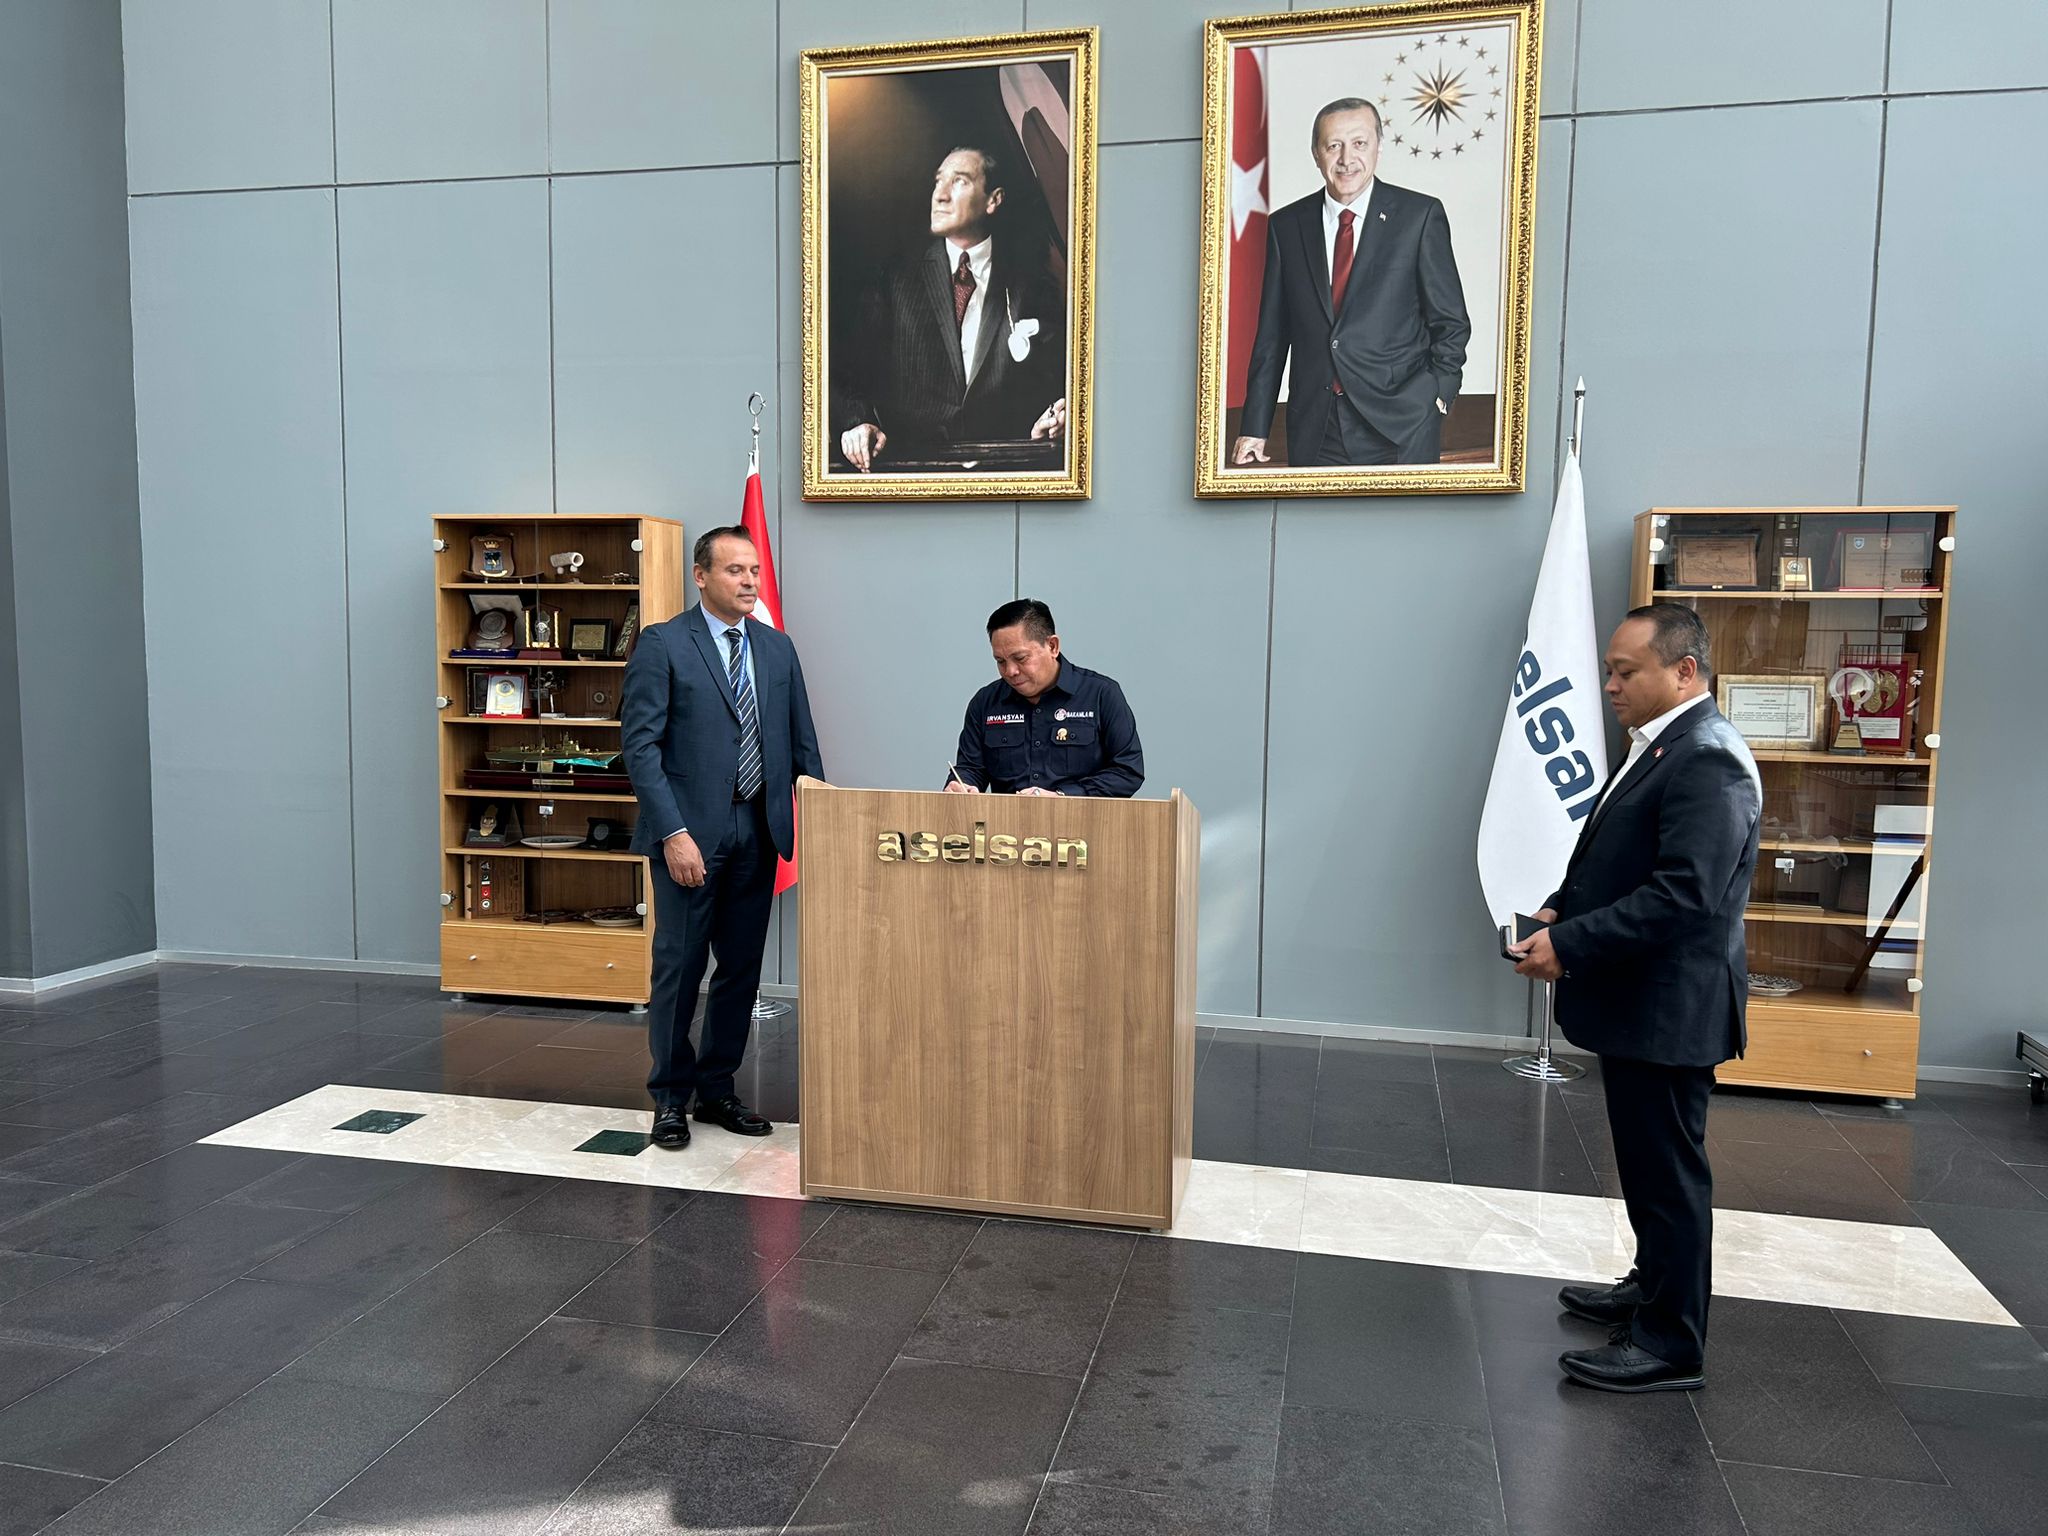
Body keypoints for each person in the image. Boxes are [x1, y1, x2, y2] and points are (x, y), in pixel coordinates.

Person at [1510, 604, 1762, 1393]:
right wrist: (1560, 909)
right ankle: (1651, 1285)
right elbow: (1616, 857)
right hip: (1644, 1004)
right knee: (1648, 1170)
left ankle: (1670, 1342)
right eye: (1609, 671)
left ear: (1684, 671)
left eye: (1626, 672)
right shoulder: (1664, 745)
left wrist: (1572, 944)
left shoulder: (1709, 759)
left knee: (1668, 1178)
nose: (1611, 686)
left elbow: (1684, 895)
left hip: (1670, 1009)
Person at [621, 525, 825, 1148]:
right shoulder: (663, 644)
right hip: (689, 834)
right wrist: (673, 833)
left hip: (758, 830)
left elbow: (802, 744)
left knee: (740, 970)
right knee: (680, 968)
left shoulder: (776, 648)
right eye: (736, 570)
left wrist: (819, 817)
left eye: (755, 571)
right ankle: (669, 1098)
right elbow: (640, 748)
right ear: (701, 576)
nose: (749, 581)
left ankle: (717, 1090)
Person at [1232, 98, 1470, 468]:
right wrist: (1255, 426)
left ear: (1378, 147)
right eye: (1334, 146)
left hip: (1401, 424)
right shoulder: (1286, 226)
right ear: (1316, 153)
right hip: (1316, 428)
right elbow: (1272, 336)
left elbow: (1450, 321)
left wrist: (1437, 393)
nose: (1347, 159)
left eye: (1359, 143)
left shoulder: (1419, 217)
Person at [832, 146, 1068, 471]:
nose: (940, 195)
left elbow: (1056, 381)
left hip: (1004, 473)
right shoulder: (895, 278)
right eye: (938, 181)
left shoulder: (1031, 282)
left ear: (993, 200)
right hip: (914, 474)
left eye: (959, 181)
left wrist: (1053, 418)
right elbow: (849, 373)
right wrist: (858, 422)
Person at [944, 599, 1142, 797]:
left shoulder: (1101, 694)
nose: (1010, 671)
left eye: (1020, 658)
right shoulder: (985, 702)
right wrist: (962, 784)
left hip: (1080, 816)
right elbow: (971, 768)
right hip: (1007, 817)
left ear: (1052, 646)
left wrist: (1062, 796)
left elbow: (1127, 771)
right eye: (1000, 661)